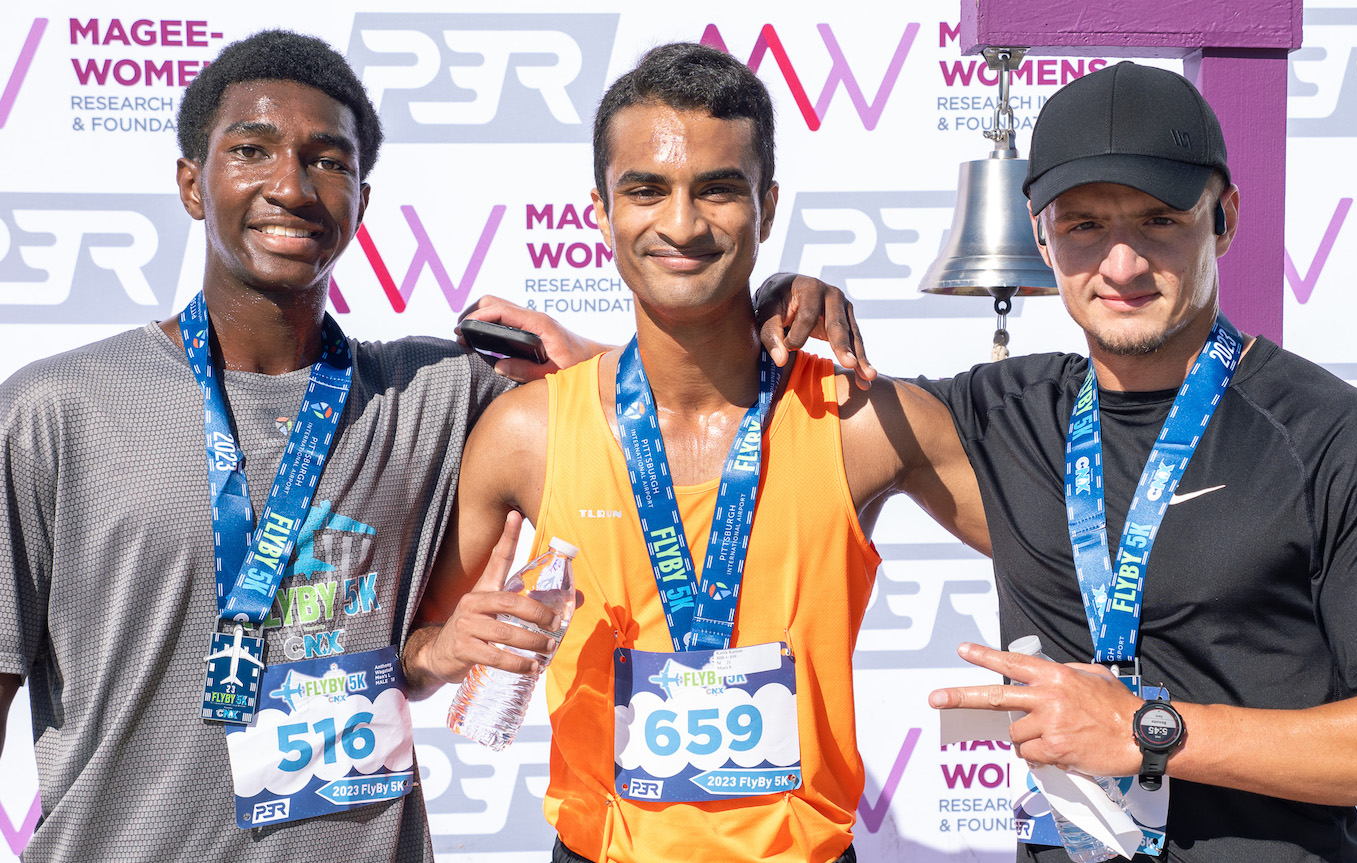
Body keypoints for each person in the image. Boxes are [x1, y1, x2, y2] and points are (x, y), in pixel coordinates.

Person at [0, 29, 873, 862]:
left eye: (328, 161)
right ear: (192, 183)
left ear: (361, 202)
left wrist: (771, 302)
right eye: (252, 150)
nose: (292, 186)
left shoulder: (436, 391)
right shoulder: (56, 411)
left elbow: (676, 387)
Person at [402, 42, 984, 863]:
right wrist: (446, 645)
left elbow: (1063, 559)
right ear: (600, 211)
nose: (681, 223)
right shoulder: (528, 433)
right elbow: (416, 660)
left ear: (768, 206)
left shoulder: (857, 416)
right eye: (647, 190)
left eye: (718, 189)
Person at [913, 62, 1357, 861]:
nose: (1123, 264)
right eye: (1083, 227)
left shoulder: (1338, 434)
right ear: (1038, 233)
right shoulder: (998, 418)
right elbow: (784, 413)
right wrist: (780, 304)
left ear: (1225, 219)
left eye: (1161, 221)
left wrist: (1149, 731)